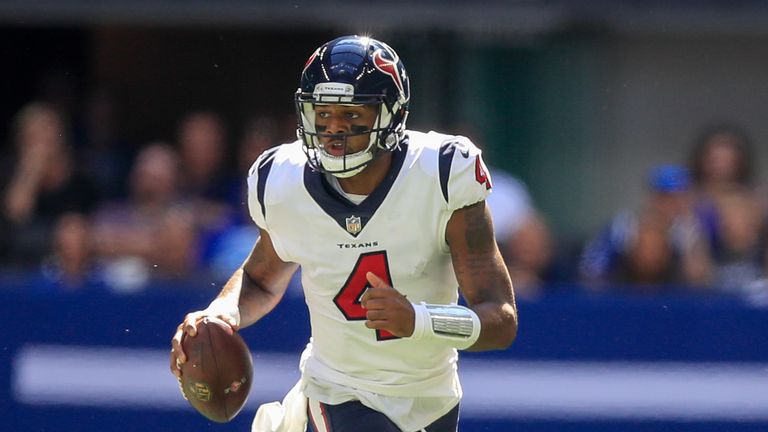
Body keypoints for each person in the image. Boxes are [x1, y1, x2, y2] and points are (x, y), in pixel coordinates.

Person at [170, 35, 518, 432]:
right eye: (323, 114)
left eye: (352, 115)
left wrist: (420, 320)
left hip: (431, 399)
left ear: (391, 115)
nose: (334, 131)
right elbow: (260, 279)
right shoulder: (284, 181)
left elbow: (501, 321)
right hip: (336, 392)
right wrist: (220, 313)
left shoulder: (441, 174)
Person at [580, 164, 712, 292]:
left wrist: (690, 241)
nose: (672, 204)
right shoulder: (623, 226)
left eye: (679, 197)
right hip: (623, 294)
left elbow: (699, 282)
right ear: (652, 197)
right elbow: (591, 273)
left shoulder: (687, 230)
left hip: (668, 298)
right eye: (665, 197)